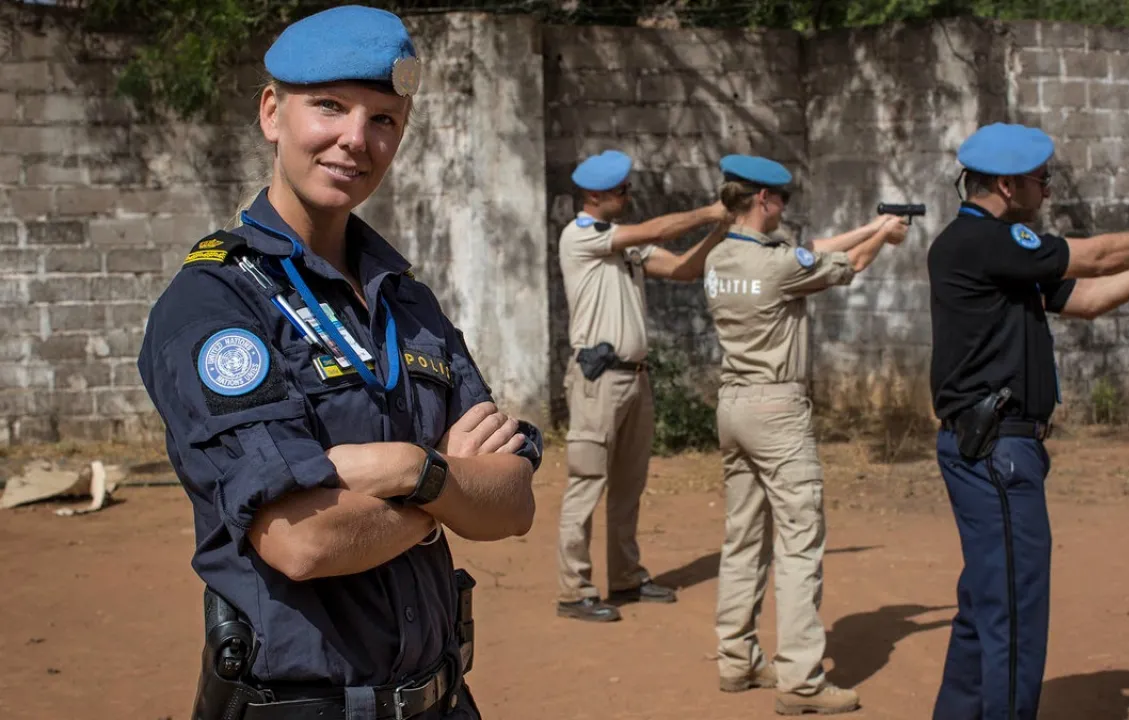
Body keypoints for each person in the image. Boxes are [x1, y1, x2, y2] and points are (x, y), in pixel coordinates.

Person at [136, 7, 543, 720]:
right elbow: (302, 540)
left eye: (383, 118)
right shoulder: (215, 304)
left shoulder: (407, 299)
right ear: (272, 113)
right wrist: (442, 483)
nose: (356, 140)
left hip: (444, 701)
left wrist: (406, 470)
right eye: (329, 107)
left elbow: (512, 502)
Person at [927, 122, 1129, 720]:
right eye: (1041, 178)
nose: (1048, 187)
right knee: (1013, 609)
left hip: (994, 450)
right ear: (1008, 186)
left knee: (986, 602)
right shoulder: (986, 240)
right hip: (996, 450)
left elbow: (1088, 297)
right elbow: (1093, 255)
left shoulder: (995, 251)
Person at [701, 154, 909, 716]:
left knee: (743, 538)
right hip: (776, 409)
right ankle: (800, 679)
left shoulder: (719, 257)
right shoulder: (778, 265)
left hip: (733, 405)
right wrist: (881, 236)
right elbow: (844, 265)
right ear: (764, 200)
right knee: (799, 542)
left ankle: (737, 658)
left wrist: (874, 228)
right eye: (781, 199)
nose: (785, 207)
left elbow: (811, 252)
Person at [556, 150, 730, 622]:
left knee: (629, 486)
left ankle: (626, 577)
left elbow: (683, 269)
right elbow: (656, 231)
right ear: (594, 197)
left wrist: (721, 229)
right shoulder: (581, 236)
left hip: (635, 376)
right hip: (598, 378)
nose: (627, 196)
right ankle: (574, 589)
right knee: (587, 482)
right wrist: (710, 211)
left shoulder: (620, 243)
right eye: (621, 191)